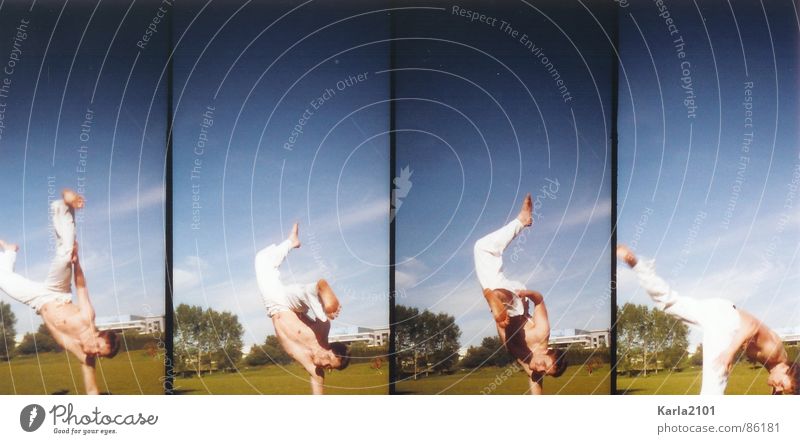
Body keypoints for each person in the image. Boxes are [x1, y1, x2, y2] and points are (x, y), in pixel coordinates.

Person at [617, 244, 798, 395]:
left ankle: (639, 265)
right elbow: (752, 324)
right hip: (728, 323)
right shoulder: (775, 352)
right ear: (788, 370)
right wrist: (729, 352)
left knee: (668, 301)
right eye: (781, 385)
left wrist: (778, 393)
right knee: (713, 390)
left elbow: (781, 382)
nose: (777, 388)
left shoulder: (777, 364)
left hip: (720, 310)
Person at [0, 190, 119, 395]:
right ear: (99, 335)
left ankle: (9, 251)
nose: (94, 353)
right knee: (66, 254)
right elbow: (81, 286)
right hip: (58, 292)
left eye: (100, 355)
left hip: (38, 302)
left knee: (3, 280)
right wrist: (77, 262)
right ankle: (65, 206)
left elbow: (91, 390)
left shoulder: (84, 357)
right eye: (98, 348)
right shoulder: (87, 318)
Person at [473, 194, 567, 394]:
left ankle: (521, 221)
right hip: (517, 302)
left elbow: (536, 384)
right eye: (544, 364)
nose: (539, 369)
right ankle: (493, 297)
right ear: (545, 351)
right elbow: (539, 300)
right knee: (506, 299)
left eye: (544, 371)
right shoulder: (541, 334)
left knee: (482, 248)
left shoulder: (529, 363)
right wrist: (527, 292)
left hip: (501, 311)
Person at [255, 223, 350, 395]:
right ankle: (318, 290)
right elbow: (326, 323)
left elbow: (318, 392)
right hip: (289, 305)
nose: (324, 364)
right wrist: (330, 309)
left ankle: (292, 242)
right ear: (329, 348)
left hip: (273, 306)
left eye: (329, 367)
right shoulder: (321, 335)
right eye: (329, 359)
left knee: (261, 260)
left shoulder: (311, 366)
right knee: (308, 300)